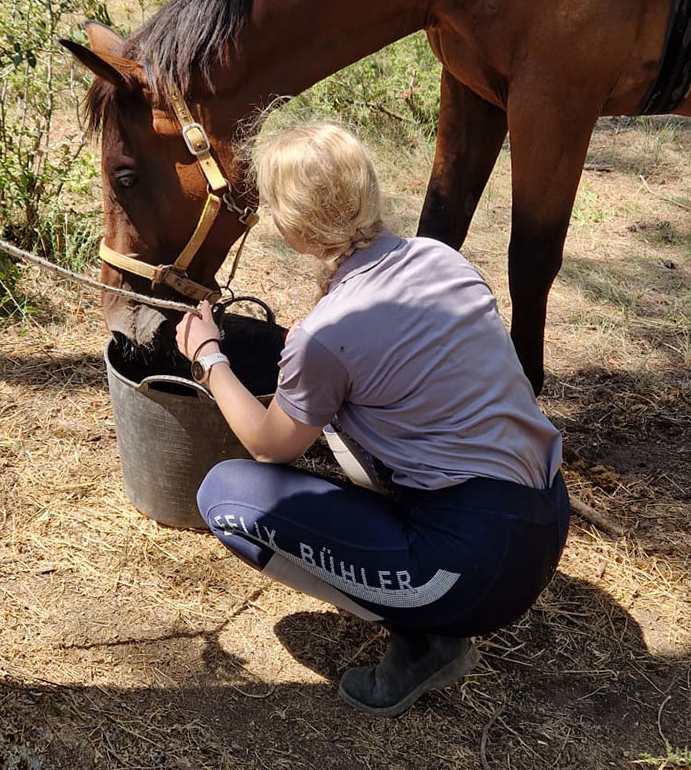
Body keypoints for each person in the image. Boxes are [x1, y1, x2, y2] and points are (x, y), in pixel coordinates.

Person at [176, 123, 569, 718]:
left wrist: (209, 358)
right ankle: (426, 598)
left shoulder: (325, 336)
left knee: (227, 497)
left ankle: (427, 639)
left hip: (470, 566)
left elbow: (269, 445)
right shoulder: (441, 260)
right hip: (545, 520)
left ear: (292, 228)